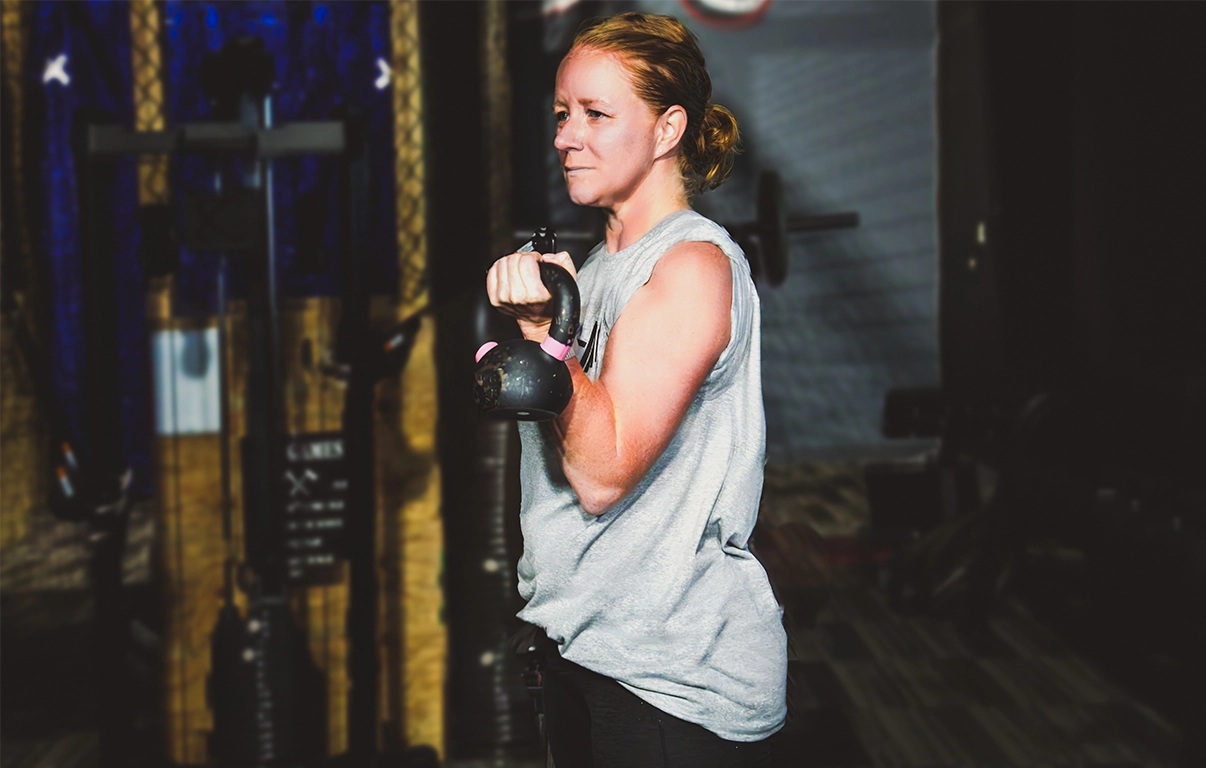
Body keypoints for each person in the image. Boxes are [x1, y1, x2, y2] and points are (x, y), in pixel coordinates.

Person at [485, 12, 786, 766]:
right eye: (561, 114)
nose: (565, 137)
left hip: (670, 672)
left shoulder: (688, 268)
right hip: (586, 642)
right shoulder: (594, 270)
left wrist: (533, 335)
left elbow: (602, 472)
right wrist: (541, 321)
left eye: (595, 114)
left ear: (667, 128)